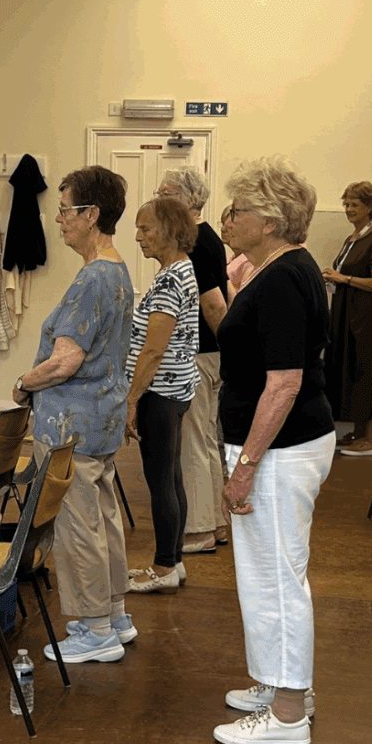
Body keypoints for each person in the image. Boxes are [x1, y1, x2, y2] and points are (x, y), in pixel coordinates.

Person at [212, 157, 335, 744]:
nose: (227, 219)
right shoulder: (281, 269)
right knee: (269, 575)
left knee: (277, 580)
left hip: (281, 450)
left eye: (238, 210)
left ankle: (288, 715)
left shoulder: (286, 277)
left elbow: (282, 382)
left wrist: (246, 466)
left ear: (270, 219)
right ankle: (284, 684)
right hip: (285, 445)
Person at [12, 165, 136, 664]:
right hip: (99, 421)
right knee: (102, 518)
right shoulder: (118, 270)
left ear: (92, 215)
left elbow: (66, 361)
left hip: (73, 426)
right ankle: (115, 615)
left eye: (65, 210)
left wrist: (23, 383)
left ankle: (94, 629)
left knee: (77, 525)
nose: (58, 219)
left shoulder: (93, 279)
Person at [122, 197, 200, 595]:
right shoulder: (180, 270)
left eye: (146, 229)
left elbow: (154, 349)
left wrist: (131, 400)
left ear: (170, 231)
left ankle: (164, 566)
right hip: (175, 389)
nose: (138, 237)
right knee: (172, 477)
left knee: (161, 482)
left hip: (160, 393)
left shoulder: (171, 279)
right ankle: (174, 561)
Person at [155, 167, 233, 555]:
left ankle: (200, 529)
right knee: (202, 438)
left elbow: (215, 304)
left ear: (190, 200)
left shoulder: (199, 243)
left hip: (201, 354)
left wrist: (227, 353)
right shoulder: (203, 241)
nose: (159, 198)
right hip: (207, 354)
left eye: (166, 193)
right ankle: (216, 523)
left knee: (193, 443)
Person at [321, 181, 372, 456]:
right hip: (346, 314)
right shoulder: (351, 239)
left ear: (370, 208)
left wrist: (344, 278)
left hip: (368, 318)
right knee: (349, 368)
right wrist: (334, 276)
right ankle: (356, 429)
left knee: (368, 369)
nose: (349, 210)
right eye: (346, 204)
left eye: (355, 205)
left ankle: (371, 436)